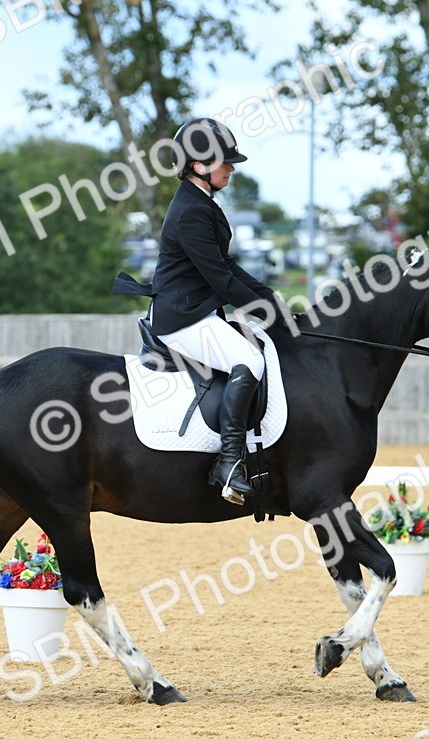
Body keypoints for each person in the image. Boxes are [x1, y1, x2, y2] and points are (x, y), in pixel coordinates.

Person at [150, 118, 289, 504]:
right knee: (249, 359)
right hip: (183, 319)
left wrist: (271, 301)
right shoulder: (192, 211)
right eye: (225, 162)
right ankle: (228, 463)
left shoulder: (200, 203)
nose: (231, 167)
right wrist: (268, 313)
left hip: (197, 311)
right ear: (198, 166)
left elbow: (227, 267)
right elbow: (221, 281)